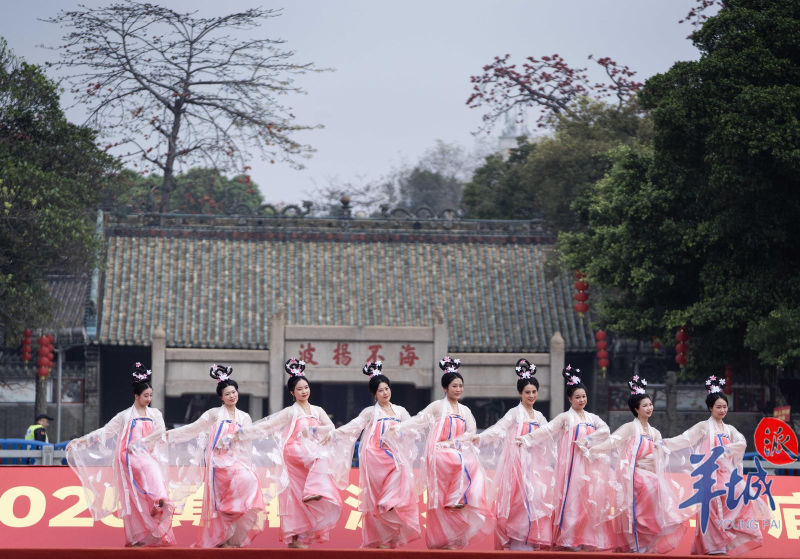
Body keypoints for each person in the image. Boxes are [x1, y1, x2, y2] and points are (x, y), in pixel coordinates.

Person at [385, 356, 495, 550]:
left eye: (460, 386)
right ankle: (455, 500)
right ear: (445, 388)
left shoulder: (465, 410)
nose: (458, 389)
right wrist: (399, 428)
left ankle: (448, 539)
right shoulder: (437, 406)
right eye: (454, 386)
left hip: (455, 450)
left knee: (467, 470)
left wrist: (454, 442)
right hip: (438, 452)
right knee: (464, 465)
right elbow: (419, 419)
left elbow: (471, 432)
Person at [236, 359, 343, 549]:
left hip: (310, 451)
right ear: (292, 393)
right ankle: (314, 490)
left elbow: (330, 427)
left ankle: (296, 538)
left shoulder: (317, 410)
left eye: (306, 387)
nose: (304, 391)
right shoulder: (290, 412)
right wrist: (244, 432)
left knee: (294, 495)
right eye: (299, 389)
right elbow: (268, 425)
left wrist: (314, 430)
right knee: (320, 458)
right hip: (294, 450)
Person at [66, 363, 175, 547]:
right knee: (151, 469)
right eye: (145, 396)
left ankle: (154, 509)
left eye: (150, 395)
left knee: (141, 490)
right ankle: (158, 501)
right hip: (128, 455)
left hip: (145, 453)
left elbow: (160, 430)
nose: (149, 399)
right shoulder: (125, 416)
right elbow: (106, 431)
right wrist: (81, 440)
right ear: (136, 396)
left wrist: (142, 442)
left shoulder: (155, 413)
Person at [661, 376, 770, 556]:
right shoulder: (703, 427)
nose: (722, 410)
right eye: (718, 407)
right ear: (710, 408)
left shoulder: (730, 429)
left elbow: (741, 443)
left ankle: (727, 536)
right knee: (710, 505)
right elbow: (685, 439)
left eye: (725, 406)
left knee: (740, 494)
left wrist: (726, 449)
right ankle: (712, 546)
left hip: (726, 475)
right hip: (709, 475)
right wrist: (665, 443)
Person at [579, 375, 687, 553]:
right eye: (645, 405)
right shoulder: (630, 427)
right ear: (636, 409)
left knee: (658, 486)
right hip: (631, 474)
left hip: (646, 473)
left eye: (650, 404)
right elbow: (613, 441)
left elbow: (659, 453)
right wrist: (593, 449)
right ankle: (636, 541)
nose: (649, 408)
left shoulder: (654, 432)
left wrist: (651, 460)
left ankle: (646, 537)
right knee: (651, 485)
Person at [165, 364, 266, 548]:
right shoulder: (214, 414)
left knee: (250, 479)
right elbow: (193, 428)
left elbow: (247, 441)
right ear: (221, 397)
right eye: (227, 394)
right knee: (220, 500)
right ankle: (221, 539)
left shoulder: (244, 417)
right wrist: (168, 435)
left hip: (237, 461)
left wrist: (242, 455)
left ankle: (232, 530)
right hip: (219, 464)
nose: (232, 396)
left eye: (234, 392)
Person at [514, 364, 612, 551]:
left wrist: (585, 441)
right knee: (573, 501)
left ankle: (587, 539)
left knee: (589, 500)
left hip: (590, 466)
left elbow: (605, 430)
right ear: (570, 399)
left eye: (584, 396)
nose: (581, 400)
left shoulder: (592, 418)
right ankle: (569, 540)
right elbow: (547, 430)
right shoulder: (565, 418)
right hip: (572, 467)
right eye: (577, 397)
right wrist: (526, 439)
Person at [328, 361, 421, 548]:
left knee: (401, 470)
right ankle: (380, 538)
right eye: (380, 390)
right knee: (375, 495)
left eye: (387, 389)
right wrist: (333, 434)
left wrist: (400, 430)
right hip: (375, 455)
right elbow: (354, 427)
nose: (385, 393)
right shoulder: (370, 412)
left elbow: (413, 428)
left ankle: (391, 524)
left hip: (393, 454)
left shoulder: (400, 411)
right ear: (374, 395)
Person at [464, 359, 552, 550]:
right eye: (527, 392)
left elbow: (548, 434)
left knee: (535, 498)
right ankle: (517, 541)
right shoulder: (514, 413)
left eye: (534, 391)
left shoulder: (539, 417)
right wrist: (480, 437)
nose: (531, 395)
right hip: (517, 464)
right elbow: (499, 429)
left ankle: (530, 539)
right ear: (520, 393)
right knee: (518, 500)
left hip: (535, 466)